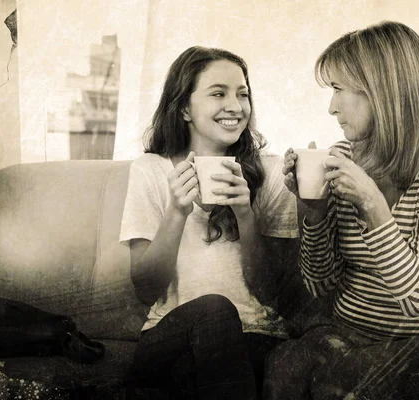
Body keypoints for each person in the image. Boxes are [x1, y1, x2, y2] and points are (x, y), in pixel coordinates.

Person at [266, 21, 419, 400]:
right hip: (351, 334)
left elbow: (417, 298)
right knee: (285, 366)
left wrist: (373, 207)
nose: (331, 107)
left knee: (352, 378)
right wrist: (312, 210)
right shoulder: (346, 156)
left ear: (380, 91)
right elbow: (321, 283)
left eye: (338, 89)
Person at [119, 46, 299, 399]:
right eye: (218, 93)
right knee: (215, 309)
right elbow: (145, 290)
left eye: (243, 94)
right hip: (171, 335)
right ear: (185, 107)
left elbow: (274, 294)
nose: (236, 106)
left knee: (198, 373)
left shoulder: (271, 172)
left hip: (254, 337)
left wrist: (245, 216)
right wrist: (176, 213)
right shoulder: (150, 171)